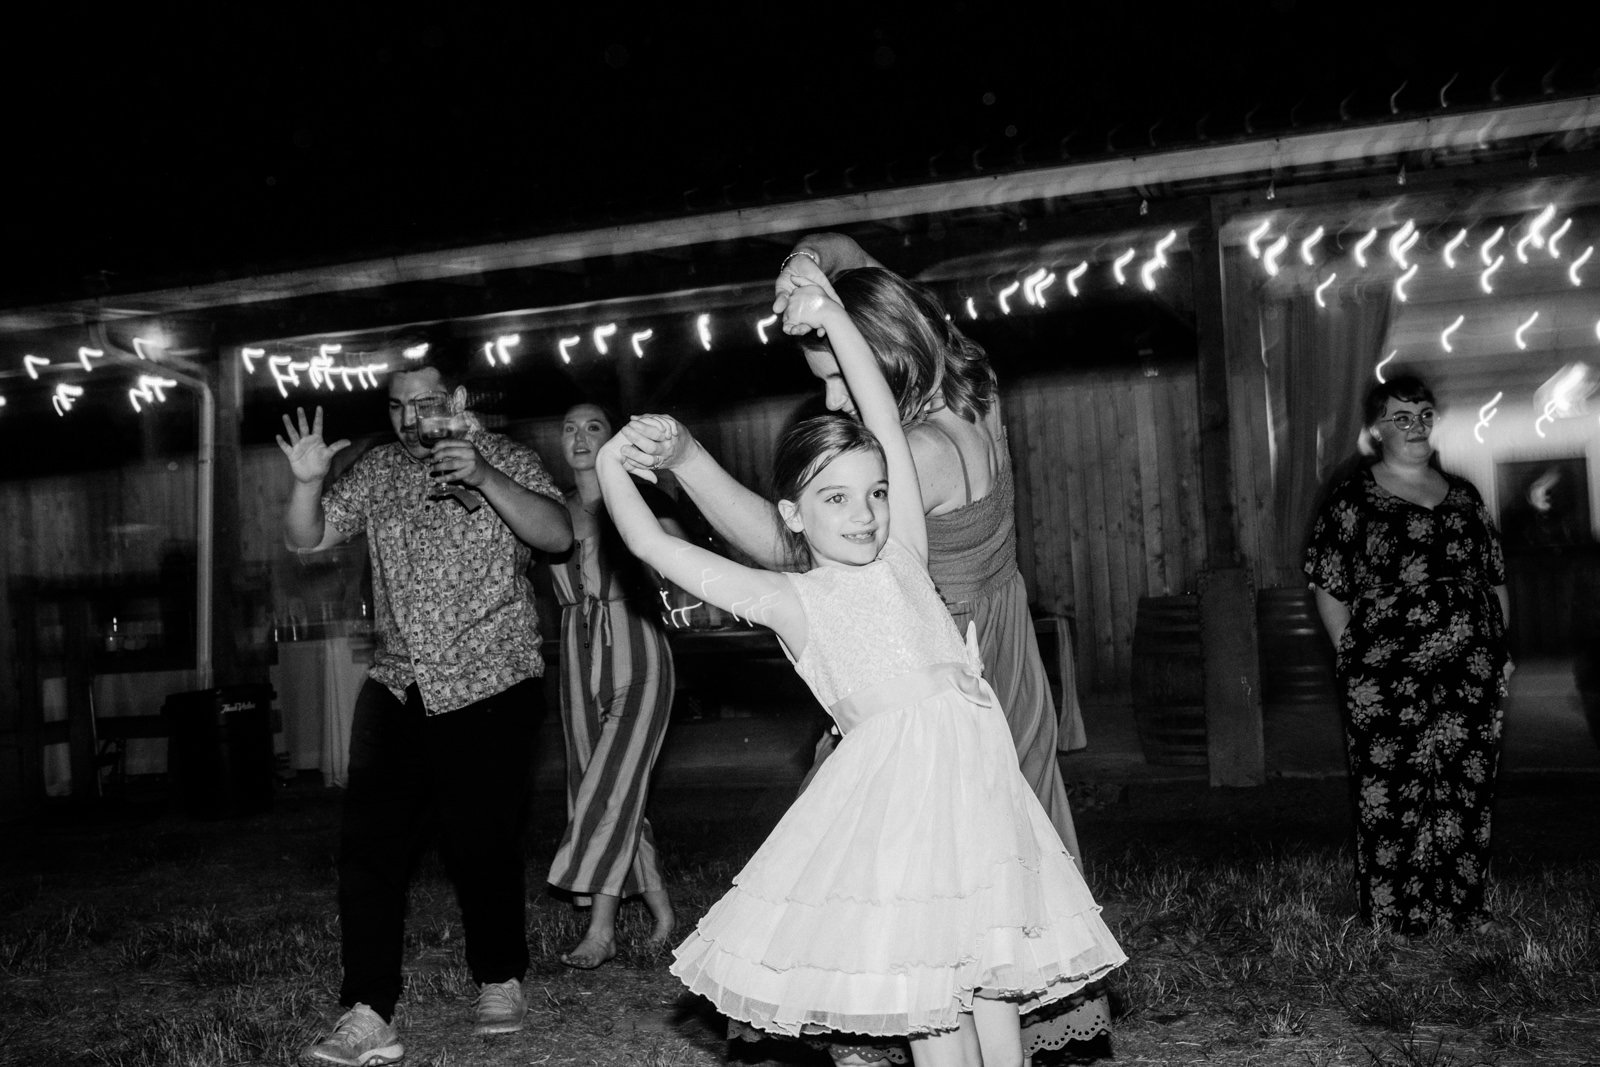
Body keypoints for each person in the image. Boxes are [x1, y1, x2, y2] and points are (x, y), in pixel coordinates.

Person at [597, 280, 1125, 1067]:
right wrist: (613, 461)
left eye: (876, 492)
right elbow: (656, 549)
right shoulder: (793, 599)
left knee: (992, 981)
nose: (866, 512)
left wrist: (838, 320)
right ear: (793, 515)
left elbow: (880, 414)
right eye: (836, 498)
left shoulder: (904, 552)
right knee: (929, 993)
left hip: (978, 806)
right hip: (899, 822)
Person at [280, 341, 572, 1066]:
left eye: (425, 404)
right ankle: (369, 1010)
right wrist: (308, 483)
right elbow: (307, 535)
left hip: (491, 681)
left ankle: (499, 976)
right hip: (398, 684)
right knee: (368, 853)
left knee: (482, 842)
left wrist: (484, 474)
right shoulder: (380, 471)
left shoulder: (508, 458)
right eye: (397, 406)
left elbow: (559, 534)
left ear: (460, 402)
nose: (410, 420)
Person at [1304, 375, 1512, 936]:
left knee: (1466, 786)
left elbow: (1493, 579)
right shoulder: (1354, 499)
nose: (1416, 425)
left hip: (1472, 670)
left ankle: (1462, 909)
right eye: (1402, 416)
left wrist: (1500, 650)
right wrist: (1351, 653)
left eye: (1423, 414)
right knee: (1390, 789)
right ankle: (1394, 916)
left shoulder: (1465, 495)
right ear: (1377, 428)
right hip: (1385, 671)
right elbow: (1329, 584)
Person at [546, 402, 680, 968]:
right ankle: (661, 906)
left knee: (610, 781)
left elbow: (682, 560)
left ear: (612, 439)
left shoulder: (642, 497)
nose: (580, 436)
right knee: (602, 785)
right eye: (569, 427)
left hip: (639, 646)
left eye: (593, 427)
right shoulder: (547, 511)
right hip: (575, 651)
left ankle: (600, 929)